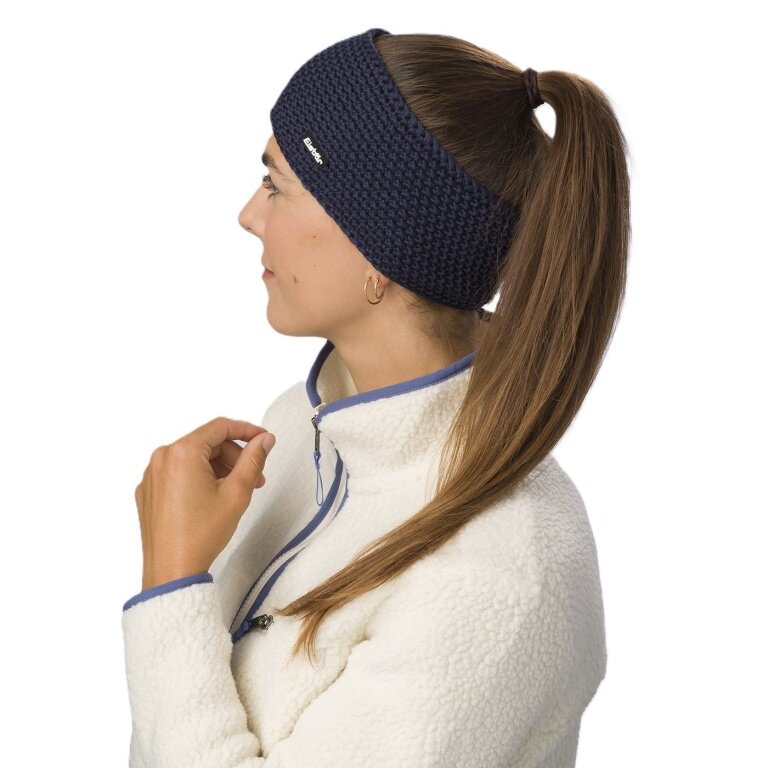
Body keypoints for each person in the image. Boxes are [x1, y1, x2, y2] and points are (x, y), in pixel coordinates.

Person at [121, 27, 630, 767]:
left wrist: (172, 580)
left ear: (378, 251)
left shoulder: (501, 575)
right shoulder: (301, 423)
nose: (249, 214)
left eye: (276, 184)